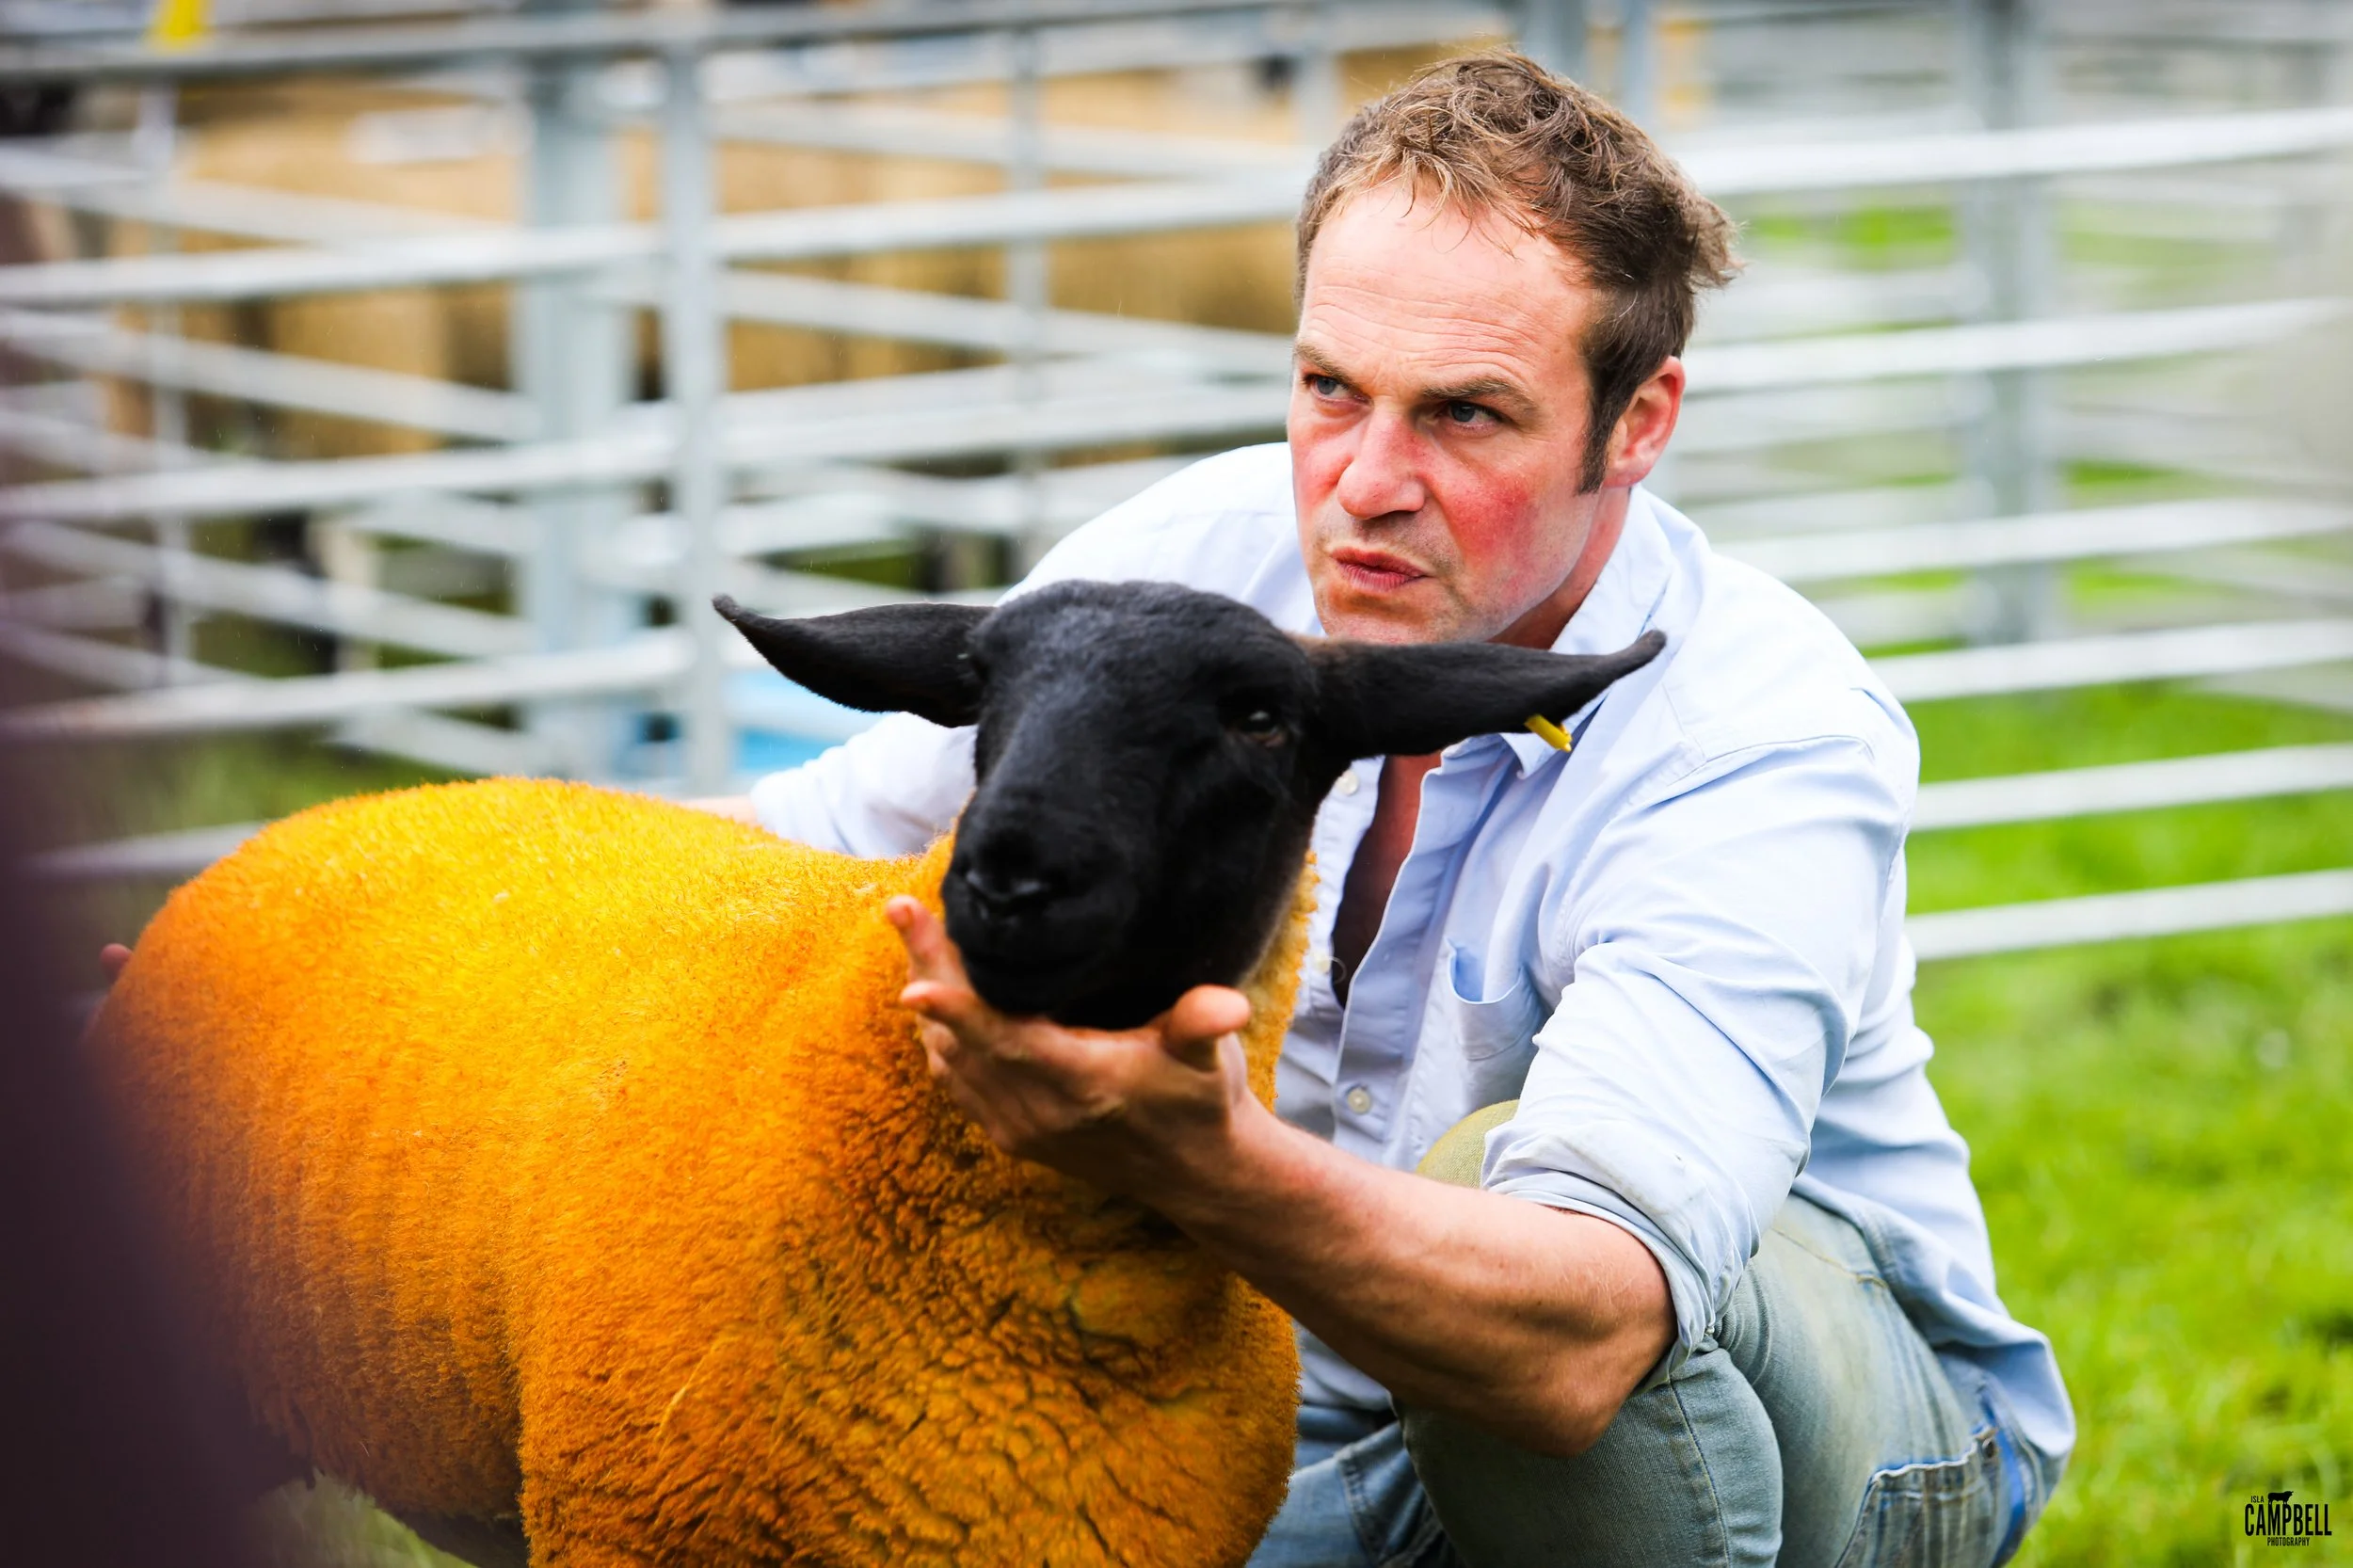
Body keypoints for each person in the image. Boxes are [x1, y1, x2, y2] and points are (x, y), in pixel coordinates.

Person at [698, 50, 2072, 1568]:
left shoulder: (1750, 728)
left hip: (1799, 1425)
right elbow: (765, 870)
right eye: (1329, 389)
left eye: (1465, 414)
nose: (1364, 484)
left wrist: (1194, 1161)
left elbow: (1584, 1334)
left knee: (1509, 1200)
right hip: (1305, 1407)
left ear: (1637, 421)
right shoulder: (1193, 567)